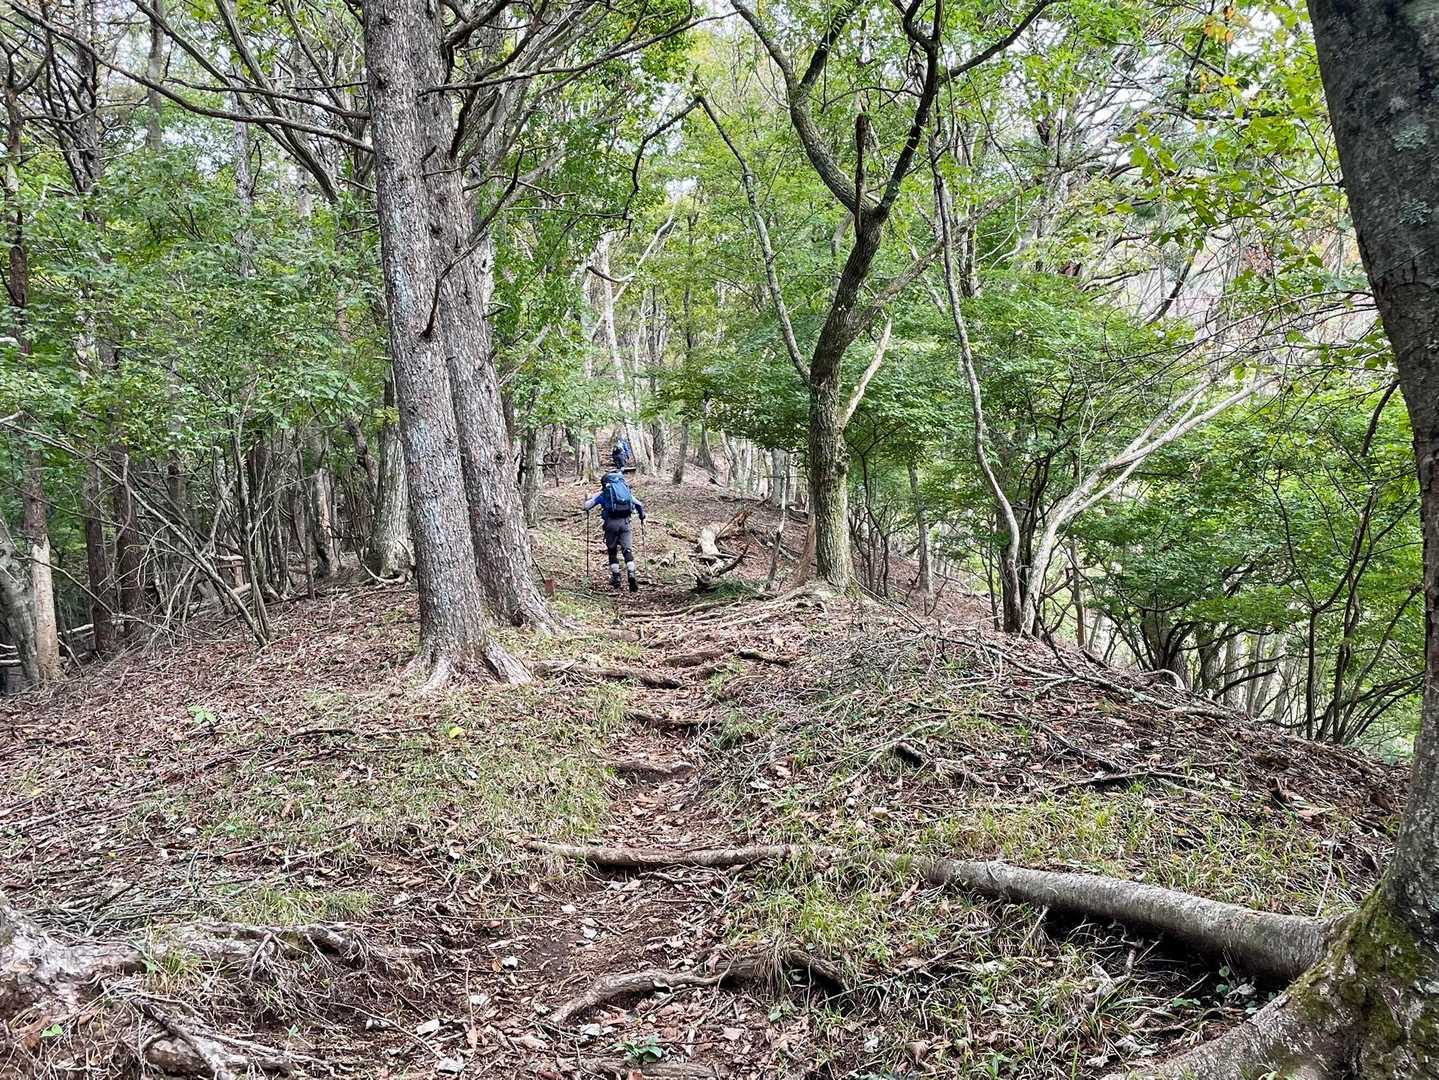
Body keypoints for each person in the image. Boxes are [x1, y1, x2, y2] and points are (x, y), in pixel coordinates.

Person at [583, 468, 646, 591]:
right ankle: (631, 574)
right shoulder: (626, 492)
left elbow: (586, 506)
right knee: (627, 550)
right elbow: (639, 504)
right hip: (626, 523)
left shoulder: (605, 494)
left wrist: (586, 500)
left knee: (612, 551)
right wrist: (642, 516)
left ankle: (616, 578)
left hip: (611, 524)